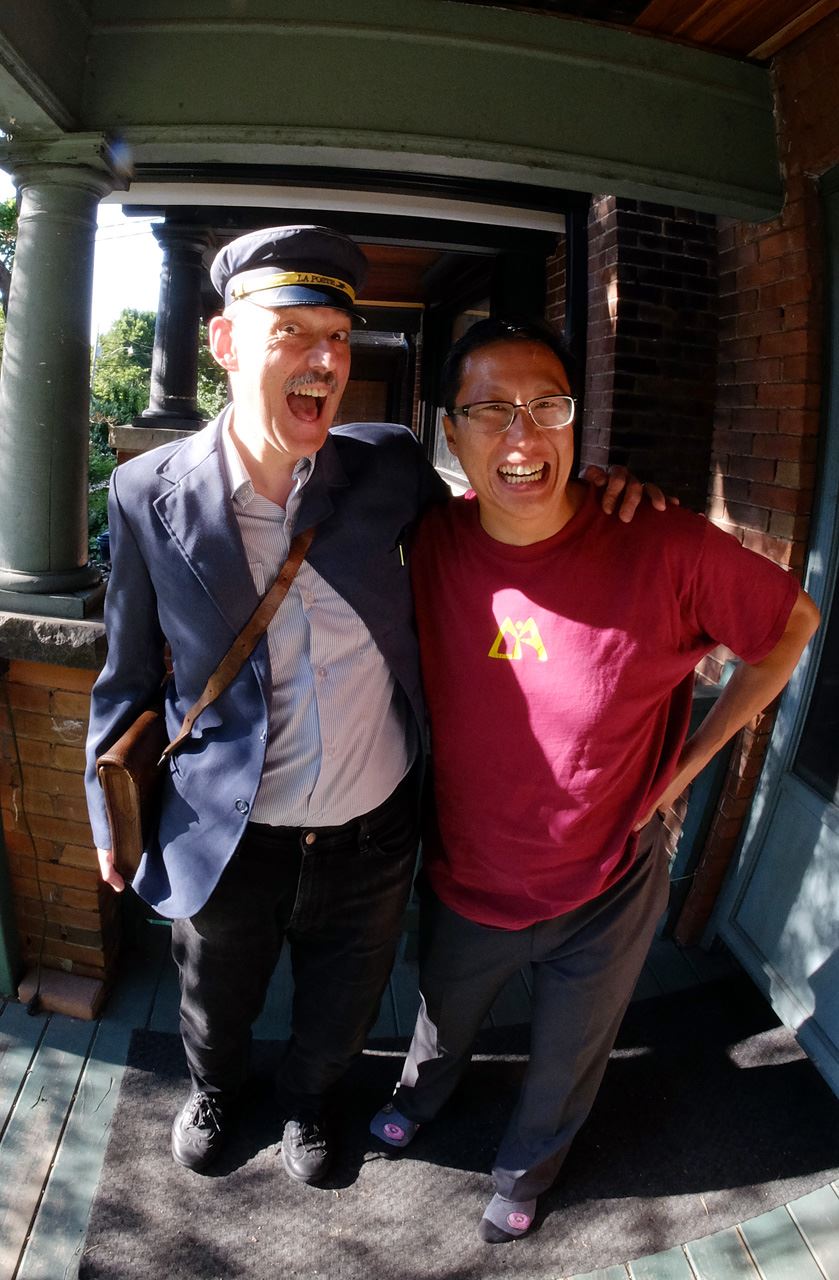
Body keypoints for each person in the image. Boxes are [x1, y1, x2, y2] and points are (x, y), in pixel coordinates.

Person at [84, 228, 649, 1184]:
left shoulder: (386, 466)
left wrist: (587, 489)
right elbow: (127, 670)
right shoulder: (146, 491)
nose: (325, 359)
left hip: (374, 827)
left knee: (344, 1000)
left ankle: (311, 1102)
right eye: (293, 331)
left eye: (339, 338)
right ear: (224, 343)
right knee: (214, 997)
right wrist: (107, 810)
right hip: (226, 830)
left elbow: (500, 524)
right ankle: (217, 1091)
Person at [369, 316, 820, 1244]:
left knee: (570, 1050)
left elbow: (791, 625)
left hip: (607, 877)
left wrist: (689, 765)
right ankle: (419, 1098)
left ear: (577, 420)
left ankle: (527, 1168)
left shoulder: (660, 544)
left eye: (547, 406)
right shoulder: (429, 545)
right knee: (442, 1016)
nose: (522, 436)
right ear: (449, 431)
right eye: (490, 410)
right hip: (467, 870)